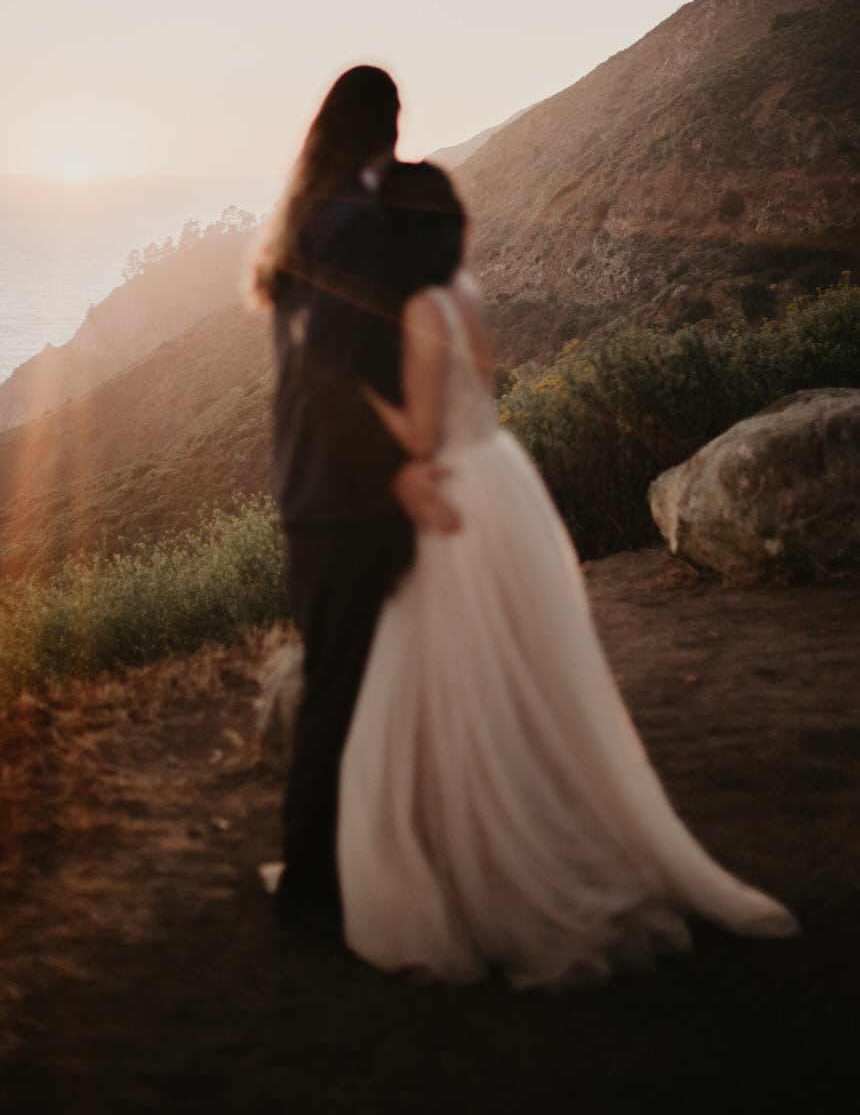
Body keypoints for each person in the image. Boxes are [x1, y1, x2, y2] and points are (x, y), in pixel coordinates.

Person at [337, 160, 798, 986]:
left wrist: (353, 398)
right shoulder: (465, 295)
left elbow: (416, 434)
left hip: (454, 496)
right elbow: (478, 393)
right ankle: (527, 818)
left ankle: (480, 854)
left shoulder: (414, 307)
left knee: (454, 665)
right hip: (502, 482)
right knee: (523, 663)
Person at [251, 69, 459, 933]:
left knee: (348, 682)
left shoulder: (310, 216)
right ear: (390, 127)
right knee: (344, 691)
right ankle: (311, 891)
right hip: (346, 499)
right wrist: (395, 472)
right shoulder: (354, 227)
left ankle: (340, 866)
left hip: (313, 492)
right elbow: (327, 373)